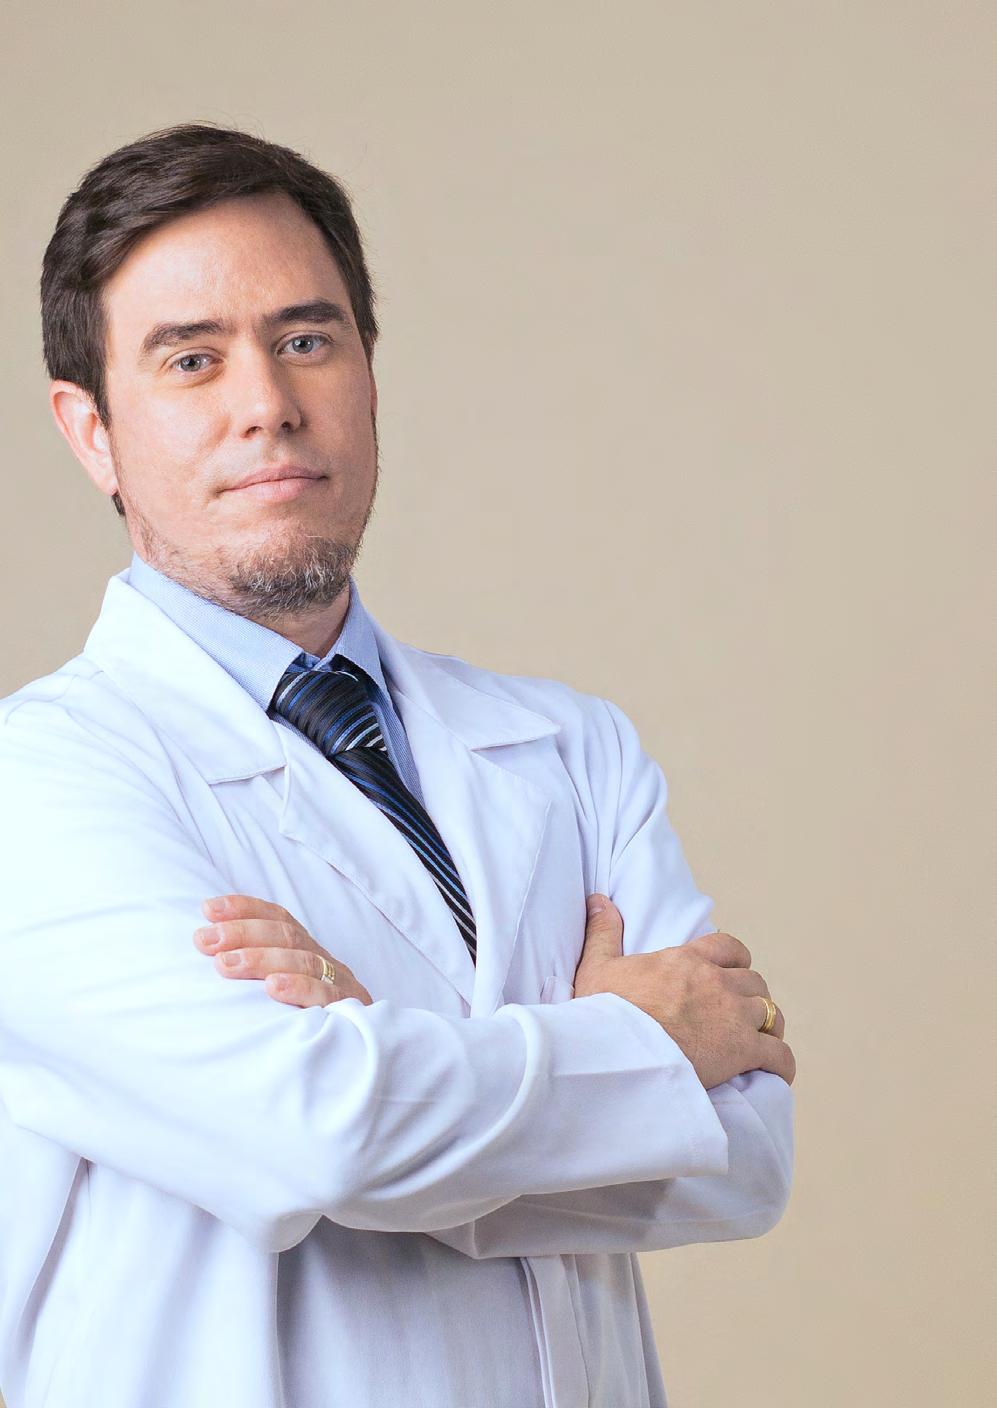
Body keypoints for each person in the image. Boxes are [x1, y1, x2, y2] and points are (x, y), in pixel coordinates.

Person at [0, 122, 796, 1408]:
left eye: (306, 339)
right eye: (192, 360)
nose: (267, 403)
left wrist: (393, 1062)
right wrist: (639, 1043)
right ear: (90, 431)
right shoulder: (38, 785)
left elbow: (748, 1154)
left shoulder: (571, 746)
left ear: (369, 371)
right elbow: (318, 1135)